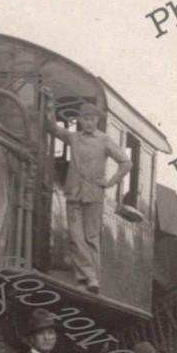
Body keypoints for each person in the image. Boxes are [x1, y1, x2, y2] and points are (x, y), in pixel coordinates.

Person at [51, 102, 129, 293]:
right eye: (85, 119)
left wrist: (111, 182)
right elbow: (53, 129)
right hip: (74, 193)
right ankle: (89, 277)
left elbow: (126, 162)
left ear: (97, 121)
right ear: (80, 120)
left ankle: (91, 279)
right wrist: (48, 107)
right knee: (76, 237)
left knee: (91, 238)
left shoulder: (104, 140)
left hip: (94, 194)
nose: (89, 122)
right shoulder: (73, 137)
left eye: (92, 119)